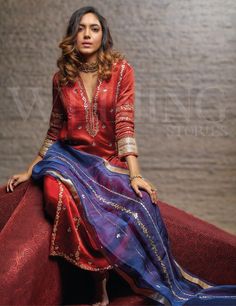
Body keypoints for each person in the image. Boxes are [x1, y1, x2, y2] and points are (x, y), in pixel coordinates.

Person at [6, 6, 236, 306]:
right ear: (72, 35)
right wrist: (30, 168)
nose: (87, 34)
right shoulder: (61, 78)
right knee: (55, 196)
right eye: (81, 28)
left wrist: (135, 174)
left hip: (105, 162)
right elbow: (54, 128)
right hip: (67, 158)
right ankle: (97, 283)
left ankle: (112, 279)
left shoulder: (121, 71)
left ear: (104, 35)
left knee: (133, 208)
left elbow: (125, 124)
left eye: (94, 28)